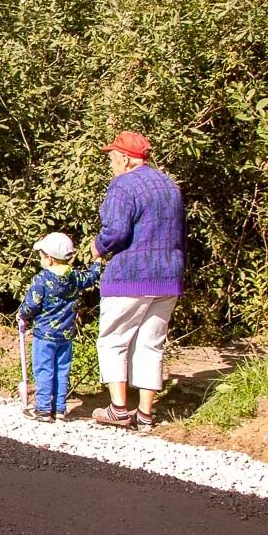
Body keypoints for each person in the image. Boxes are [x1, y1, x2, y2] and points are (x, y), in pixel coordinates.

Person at [90, 130, 186, 431]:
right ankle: (145, 414)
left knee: (113, 340)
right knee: (150, 344)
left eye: (113, 158)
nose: (111, 164)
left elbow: (116, 232)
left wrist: (98, 247)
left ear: (126, 159)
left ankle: (119, 409)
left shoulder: (123, 185)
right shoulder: (169, 185)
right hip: (168, 276)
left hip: (131, 276)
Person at [18, 232, 104, 422]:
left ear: (49, 259)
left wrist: (22, 315)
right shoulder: (74, 277)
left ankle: (42, 409)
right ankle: (59, 409)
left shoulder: (41, 280)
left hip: (44, 335)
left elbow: (32, 305)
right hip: (66, 335)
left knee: (44, 370)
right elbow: (92, 276)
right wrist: (97, 261)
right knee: (62, 370)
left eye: (41, 256)